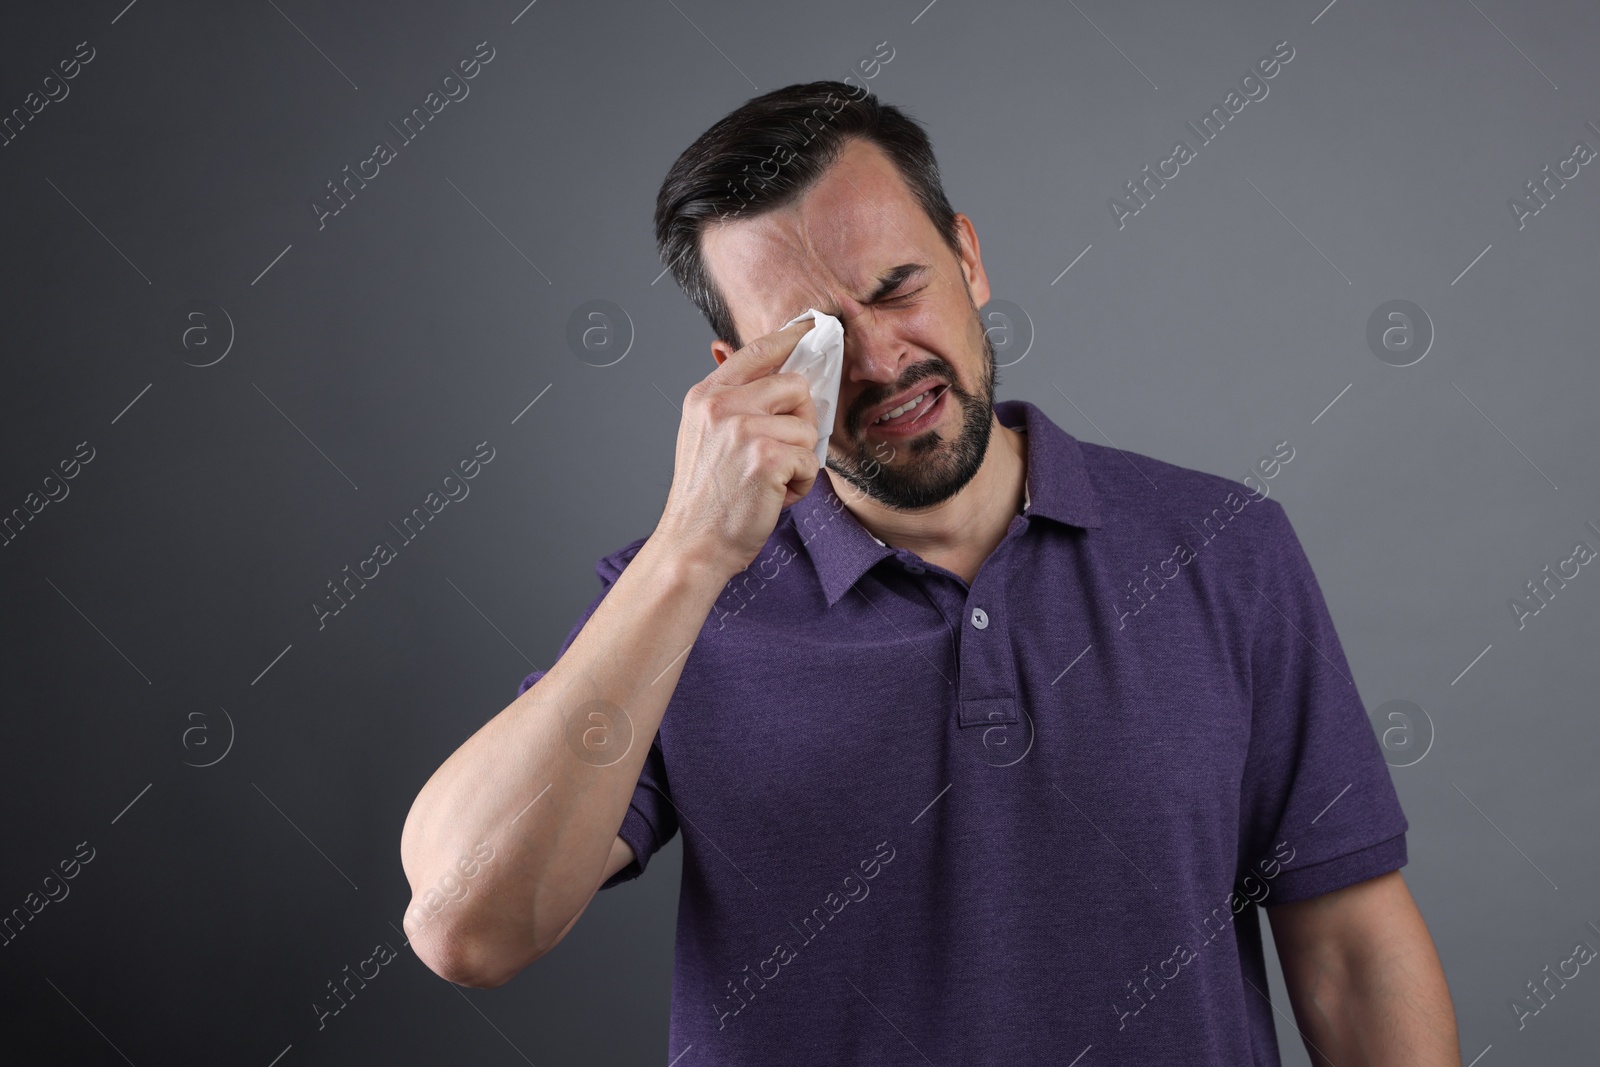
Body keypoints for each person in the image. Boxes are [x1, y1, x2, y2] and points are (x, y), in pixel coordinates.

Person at [400, 80, 1459, 1064]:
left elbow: (1352, 949)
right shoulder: (672, 601)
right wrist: (687, 551)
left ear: (966, 258)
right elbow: (465, 925)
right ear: (733, 378)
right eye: (809, 337)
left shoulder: (1224, 544)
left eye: (896, 288)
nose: (877, 358)